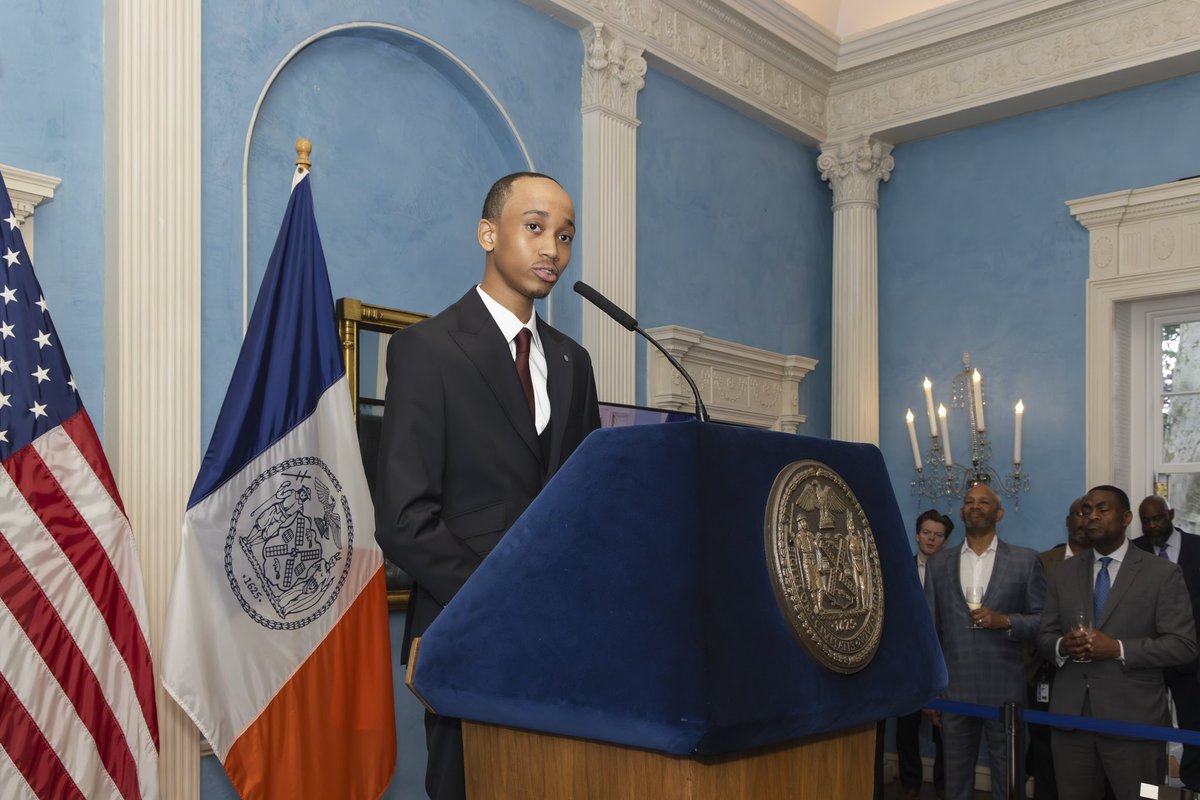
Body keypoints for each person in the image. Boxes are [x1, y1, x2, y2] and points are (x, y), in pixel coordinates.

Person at [374, 172, 601, 800]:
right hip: (465, 629)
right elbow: (403, 519)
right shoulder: (427, 349)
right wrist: (504, 598)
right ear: (487, 233)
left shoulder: (571, 362)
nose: (552, 249)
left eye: (564, 235)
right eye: (535, 228)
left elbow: (580, 506)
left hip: (558, 640)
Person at [1038, 485, 1198, 800]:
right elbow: (1044, 636)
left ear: (1126, 518)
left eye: (1102, 508)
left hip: (1136, 721)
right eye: (1086, 510)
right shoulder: (1063, 572)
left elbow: (1183, 645)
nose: (1092, 516)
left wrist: (1119, 649)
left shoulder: (1162, 573)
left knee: (1144, 797)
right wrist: (1061, 647)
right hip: (1071, 720)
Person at [925, 483, 1045, 800]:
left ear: (999, 513)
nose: (975, 505)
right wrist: (931, 692)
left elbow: (1042, 620)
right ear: (963, 512)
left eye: (983, 501)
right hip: (954, 690)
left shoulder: (1025, 560)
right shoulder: (938, 564)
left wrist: (1005, 620)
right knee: (955, 780)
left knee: (1009, 780)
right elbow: (931, 633)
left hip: (1005, 690)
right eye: (968, 501)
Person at [1131, 494, 1200, 790]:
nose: (1152, 525)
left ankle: (1195, 785)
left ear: (1171, 514)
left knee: (1194, 728)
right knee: (1146, 733)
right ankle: (1150, 789)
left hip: (1191, 661)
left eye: (1157, 518)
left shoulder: (1198, 547)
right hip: (1148, 660)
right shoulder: (1134, 551)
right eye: (1145, 520)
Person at [1024, 496, 1089, 800]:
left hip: (1095, 673)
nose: (1083, 520)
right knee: (1044, 742)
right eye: (1077, 514)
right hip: (1047, 669)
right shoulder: (1045, 560)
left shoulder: (1110, 566)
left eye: (1088, 514)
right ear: (1067, 521)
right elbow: (1032, 612)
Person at [895, 509, 954, 799]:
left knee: (947, 725)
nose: (932, 538)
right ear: (917, 535)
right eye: (927, 532)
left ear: (945, 541)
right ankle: (909, 784)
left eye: (938, 534)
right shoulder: (899, 569)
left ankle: (943, 784)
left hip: (944, 659)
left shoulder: (953, 571)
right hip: (906, 660)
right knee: (906, 727)